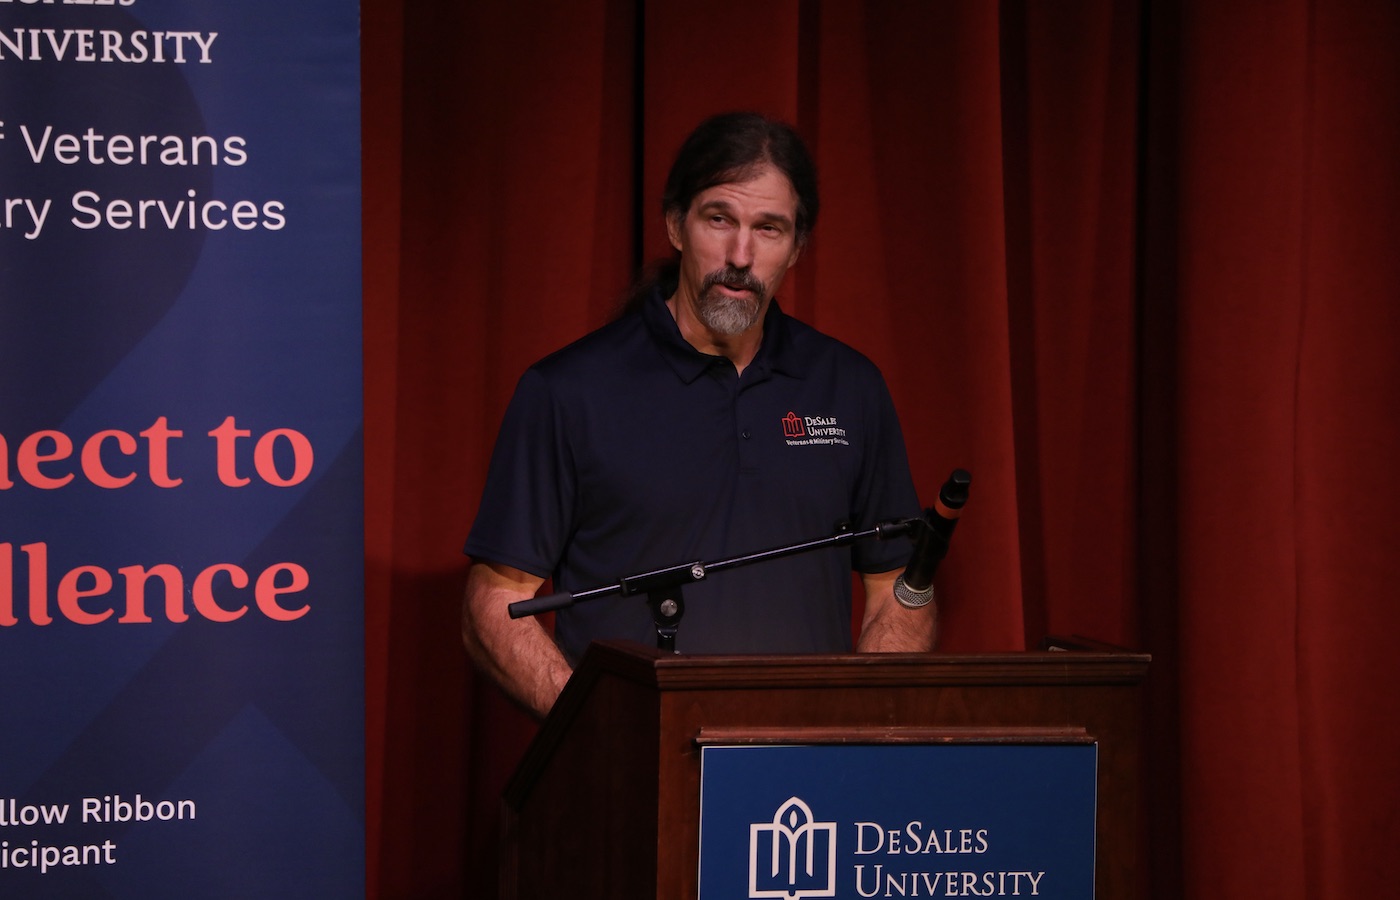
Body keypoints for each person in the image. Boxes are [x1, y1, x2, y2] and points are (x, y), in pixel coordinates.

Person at [461, 112, 935, 719]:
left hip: (805, 793)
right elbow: (496, 601)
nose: (741, 254)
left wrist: (855, 730)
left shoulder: (850, 388)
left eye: (769, 229)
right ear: (675, 225)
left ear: (796, 248)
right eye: (720, 219)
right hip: (635, 783)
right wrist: (601, 732)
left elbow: (898, 589)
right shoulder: (570, 390)